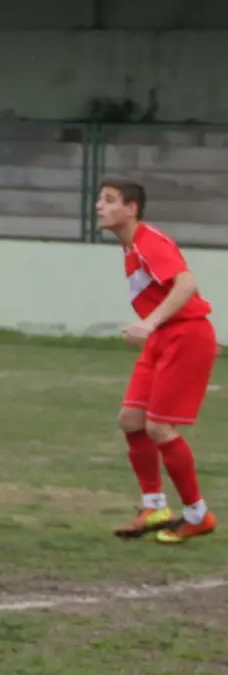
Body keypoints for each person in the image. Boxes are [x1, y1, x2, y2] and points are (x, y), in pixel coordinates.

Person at [97, 179, 217, 544]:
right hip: (165, 337)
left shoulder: (149, 241)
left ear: (131, 208)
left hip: (183, 336)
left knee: (159, 427)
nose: (99, 206)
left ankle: (198, 515)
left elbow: (186, 283)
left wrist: (149, 323)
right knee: (131, 420)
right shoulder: (132, 246)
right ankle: (155, 506)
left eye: (109, 200)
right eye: (99, 200)